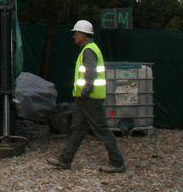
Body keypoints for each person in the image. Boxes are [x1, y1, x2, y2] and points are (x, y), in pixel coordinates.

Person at [48, 20, 127, 173]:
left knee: (102, 130)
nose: (74, 36)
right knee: (77, 129)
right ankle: (65, 160)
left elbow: (91, 73)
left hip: (89, 98)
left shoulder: (88, 51)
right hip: (85, 98)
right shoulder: (88, 49)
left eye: (76, 33)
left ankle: (118, 163)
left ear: (83, 35)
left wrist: (85, 91)